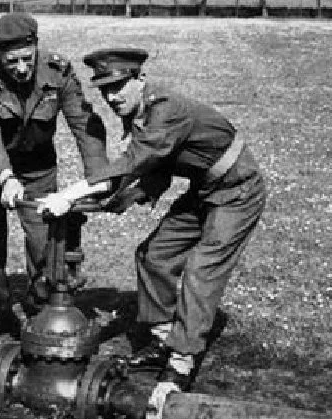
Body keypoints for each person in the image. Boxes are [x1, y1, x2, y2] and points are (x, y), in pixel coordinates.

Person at [37, 48, 266, 391]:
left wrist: (68, 194)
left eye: (118, 87)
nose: (111, 98)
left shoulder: (166, 110)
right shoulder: (139, 114)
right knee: (153, 255)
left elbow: (133, 162)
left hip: (237, 190)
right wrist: (97, 202)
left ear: (139, 80)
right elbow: (151, 175)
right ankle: (163, 339)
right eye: (104, 91)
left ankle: (181, 361)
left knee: (202, 270)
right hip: (204, 189)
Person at [0, 13, 108, 356]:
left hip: (39, 167)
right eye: (11, 61)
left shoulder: (59, 72)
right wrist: (4, 176)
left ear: (36, 47)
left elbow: (84, 123)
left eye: (26, 58)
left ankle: (40, 304)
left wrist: (100, 179)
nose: (21, 68)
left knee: (47, 242)